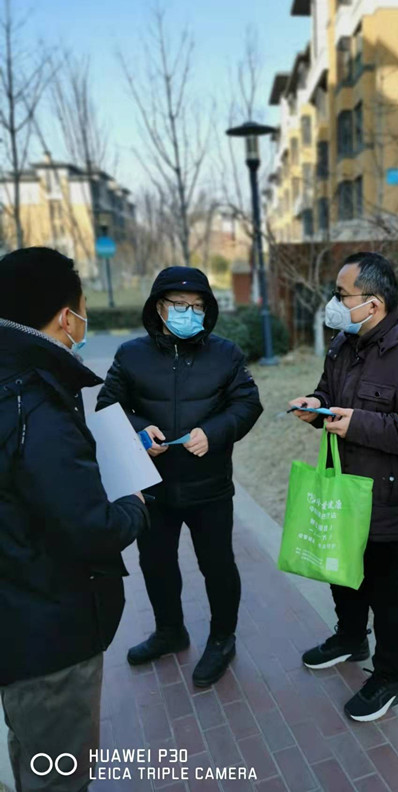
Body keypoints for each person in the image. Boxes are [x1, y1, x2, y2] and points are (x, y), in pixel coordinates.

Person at [0, 247, 149, 791]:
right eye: (83, 307)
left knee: (30, 753)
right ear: (67, 316)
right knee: (59, 774)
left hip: (18, 618)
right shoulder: (35, 401)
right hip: (49, 633)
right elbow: (92, 529)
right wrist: (133, 505)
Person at [289, 251, 398, 721]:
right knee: (343, 574)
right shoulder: (344, 343)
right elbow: (329, 391)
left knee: (390, 595)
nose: (334, 303)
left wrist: (358, 424)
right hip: (344, 490)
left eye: (342, 295)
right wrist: (315, 404)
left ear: (374, 303)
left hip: (390, 504)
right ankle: (349, 637)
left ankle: (391, 677)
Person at [96, 266, 262, 687]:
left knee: (217, 565)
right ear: (158, 307)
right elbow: (107, 405)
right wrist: (138, 432)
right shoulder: (130, 355)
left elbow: (247, 404)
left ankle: (222, 638)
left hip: (209, 485)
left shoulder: (225, 354)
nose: (190, 313)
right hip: (152, 487)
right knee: (156, 563)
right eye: (179, 305)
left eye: (198, 306)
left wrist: (215, 433)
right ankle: (170, 631)